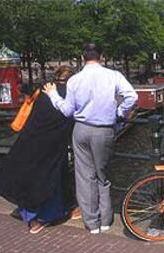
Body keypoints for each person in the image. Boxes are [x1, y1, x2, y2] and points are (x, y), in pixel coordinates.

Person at [43, 43, 138, 234]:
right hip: (104, 130)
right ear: (101, 56)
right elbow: (132, 97)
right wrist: (119, 112)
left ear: (82, 57)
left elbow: (68, 110)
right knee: (103, 175)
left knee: (85, 177)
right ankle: (106, 220)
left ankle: (92, 223)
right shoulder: (114, 76)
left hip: (81, 130)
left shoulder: (75, 80)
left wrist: (53, 95)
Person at [0, 66, 77, 234]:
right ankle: (42, 217)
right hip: (53, 143)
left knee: (32, 175)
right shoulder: (70, 94)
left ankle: (31, 214)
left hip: (31, 138)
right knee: (48, 177)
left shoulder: (42, 90)